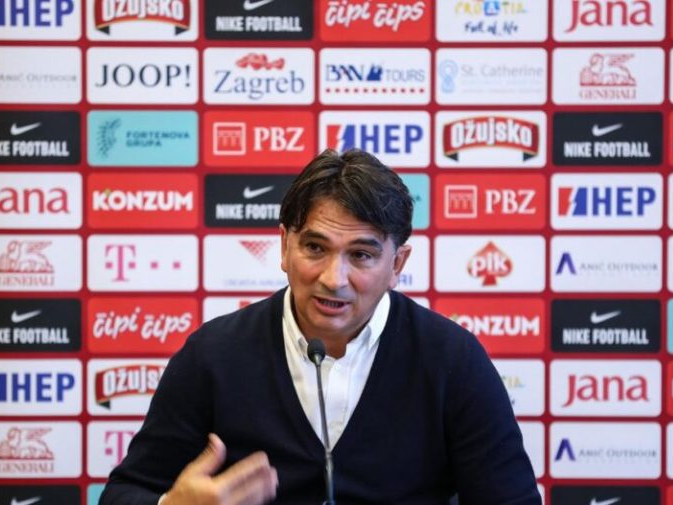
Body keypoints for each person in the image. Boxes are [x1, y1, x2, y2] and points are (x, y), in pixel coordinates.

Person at [100, 149, 539, 505]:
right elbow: (124, 493)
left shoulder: (452, 359)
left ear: (397, 264)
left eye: (361, 255)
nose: (334, 278)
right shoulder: (213, 355)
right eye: (315, 247)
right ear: (284, 246)